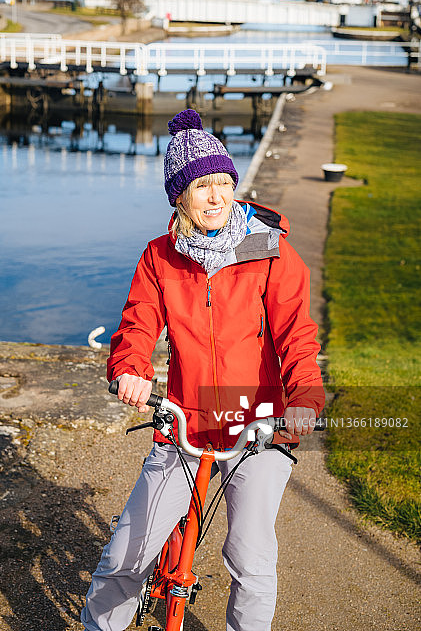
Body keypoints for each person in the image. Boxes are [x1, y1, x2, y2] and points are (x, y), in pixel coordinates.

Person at [82, 109, 325, 631]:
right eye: (201, 186)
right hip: (186, 420)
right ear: (179, 197)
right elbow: (138, 323)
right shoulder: (160, 256)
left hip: (259, 422)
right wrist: (131, 367)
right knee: (125, 556)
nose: (216, 197)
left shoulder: (270, 251)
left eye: (223, 183)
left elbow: (297, 336)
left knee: (250, 559)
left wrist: (304, 397)